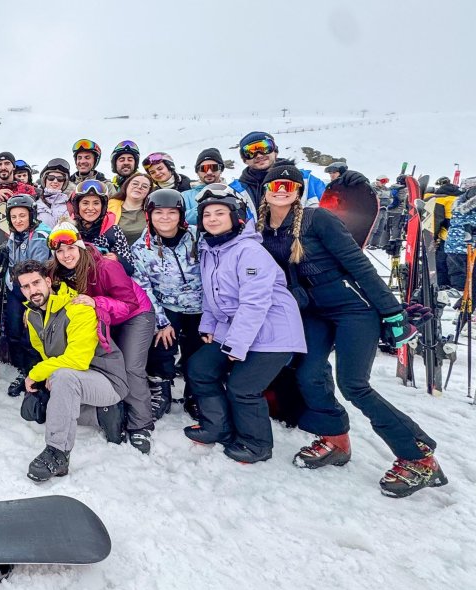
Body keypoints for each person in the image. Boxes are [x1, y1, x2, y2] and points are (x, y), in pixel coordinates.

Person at [255, 163, 444, 497]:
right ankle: (335, 438)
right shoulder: (263, 230)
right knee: (308, 374)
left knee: (354, 385)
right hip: (313, 310)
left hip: (352, 307)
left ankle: (419, 456)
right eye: (275, 184)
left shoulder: (318, 219)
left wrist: (393, 313)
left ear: (298, 190)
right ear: (265, 190)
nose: (281, 189)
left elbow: (359, 264)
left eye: (289, 184)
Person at [183, 187, 306, 464]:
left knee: (242, 387)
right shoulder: (209, 250)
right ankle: (218, 426)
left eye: (220, 213)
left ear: (235, 217)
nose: (212, 219)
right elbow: (212, 294)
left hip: (273, 332)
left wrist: (236, 345)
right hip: (236, 327)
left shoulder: (249, 251)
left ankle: (257, 445)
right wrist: (208, 326)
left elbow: (255, 303)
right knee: (200, 368)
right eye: (207, 214)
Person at [14, 259, 129, 483]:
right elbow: (45, 353)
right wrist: (47, 375)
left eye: (36, 283)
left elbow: (78, 360)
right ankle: (101, 414)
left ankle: (57, 453)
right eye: (26, 287)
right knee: (35, 410)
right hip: (74, 378)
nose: (33, 291)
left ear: (48, 281)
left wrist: (38, 373)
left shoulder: (77, 307)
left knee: (63, 377)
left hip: (106, 379)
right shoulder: (33, 314)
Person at [48, 223, 155, 453]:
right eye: (60, 251)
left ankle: (141, 424)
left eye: (70, 249)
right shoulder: (58, 272)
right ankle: (113, 409)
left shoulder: (106, 266)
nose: (66, 256)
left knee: (130, 366)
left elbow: (129, 303)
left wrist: (96, 302)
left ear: (80, 247)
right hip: (105, 317)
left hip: (134, 315)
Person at [130, 189, 204, 420]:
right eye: (159, 212)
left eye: (172, 212)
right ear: (149, 215)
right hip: (167, 306)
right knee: (162, 348)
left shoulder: (197, 237)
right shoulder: (141, 248)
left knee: (197, 351)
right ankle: (161, 389)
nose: (165, 218)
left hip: (201, 307)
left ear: (181, 215)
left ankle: (195, 393)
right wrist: (161, 322)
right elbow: (143, 287)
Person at [0, 195, 51, 396]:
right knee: (13, 329)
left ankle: (34, 372)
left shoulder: (39, 236)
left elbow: (35, 269)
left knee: (32, 333)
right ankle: (23, 369)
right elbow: (1, 263)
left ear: (31, 215)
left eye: (23, 215)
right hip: (15, 291)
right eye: (14, 217)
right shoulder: (13, 237)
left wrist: (29, 304)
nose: (18, 220)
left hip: (34, 293)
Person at [229, 131, 326, 219]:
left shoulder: (308, 182)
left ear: (275, 151)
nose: (258, 155)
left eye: (264, 148)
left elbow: (333, 213)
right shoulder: (235, 191)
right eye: (250, 152)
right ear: (244, 159)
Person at [68, 179, 135, 274]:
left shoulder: (113, 231)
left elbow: (130, 268)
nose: (90, 208)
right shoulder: (69, 229)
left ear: (103, 206)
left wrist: (118, 259)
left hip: (105, 283)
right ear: (77, 206)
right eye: (85, 203)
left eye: (96, 203)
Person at [443, 177, 476, 291]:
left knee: (458, 275)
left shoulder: (458, 201)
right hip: (470, 244)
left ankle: (461, 297)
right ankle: (466, 299)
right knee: (471, 278)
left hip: (453, 244)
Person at [181, 148, 228, 226]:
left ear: (221, 169)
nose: (209, 172)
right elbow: (179, 219)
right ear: (197, 171)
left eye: (214, 168)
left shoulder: (232, 192)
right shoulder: (185, 196)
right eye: (204, 168)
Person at [108, 172, 154, 245]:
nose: (139, 187)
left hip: (143, 255)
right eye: (135, 184)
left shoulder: (152, 212)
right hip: (112, 253)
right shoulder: (108, 207)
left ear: (149, 191)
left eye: (145, 186)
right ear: (127, 185)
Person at [35, 159, 74, 228]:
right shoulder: (35, 201)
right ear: (45, 180)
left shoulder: (71, 204)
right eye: (51, 178)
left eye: (60, 178)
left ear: (64, 182)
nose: (55, 181)